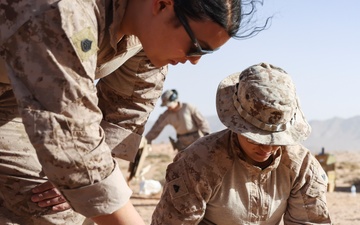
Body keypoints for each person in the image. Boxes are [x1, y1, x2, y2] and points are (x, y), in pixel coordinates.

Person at [0, 0, 270, 224]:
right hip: (27, 98)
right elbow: (73, 138)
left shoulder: (145, 37)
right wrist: (78, 176)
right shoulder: (65, 10)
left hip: (18, 96)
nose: (195, 60)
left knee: (74, 202)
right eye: (196, 46)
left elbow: (125, 110)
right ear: (163, 5)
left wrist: (79, 181)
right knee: (47, 208)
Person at [151, 62, 332, 224]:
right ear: (237, 125)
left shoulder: (301, 166)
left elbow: (309, 222)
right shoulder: (199, 163)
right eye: (256, 137)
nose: (268, 148)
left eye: (277, 138)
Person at [146, 89, 210, 151]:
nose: (168, 107)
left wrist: (208, 137)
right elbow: (157, 128)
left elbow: (202, 122)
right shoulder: (166, 115)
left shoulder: (188, 108)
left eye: (168, 104)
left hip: (196, 141)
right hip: (182, 144)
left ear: (174, 99)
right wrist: (147, 140)